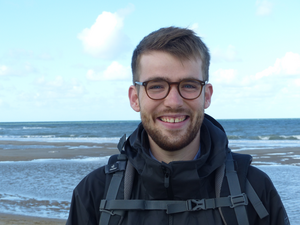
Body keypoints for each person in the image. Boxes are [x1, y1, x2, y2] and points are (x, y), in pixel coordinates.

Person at [66, 27, 289, 225]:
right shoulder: (94, 193)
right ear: (135, 98)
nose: (174, 102)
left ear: (206, 95)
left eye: (189, 85)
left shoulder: (254, 189)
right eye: (156, 86)